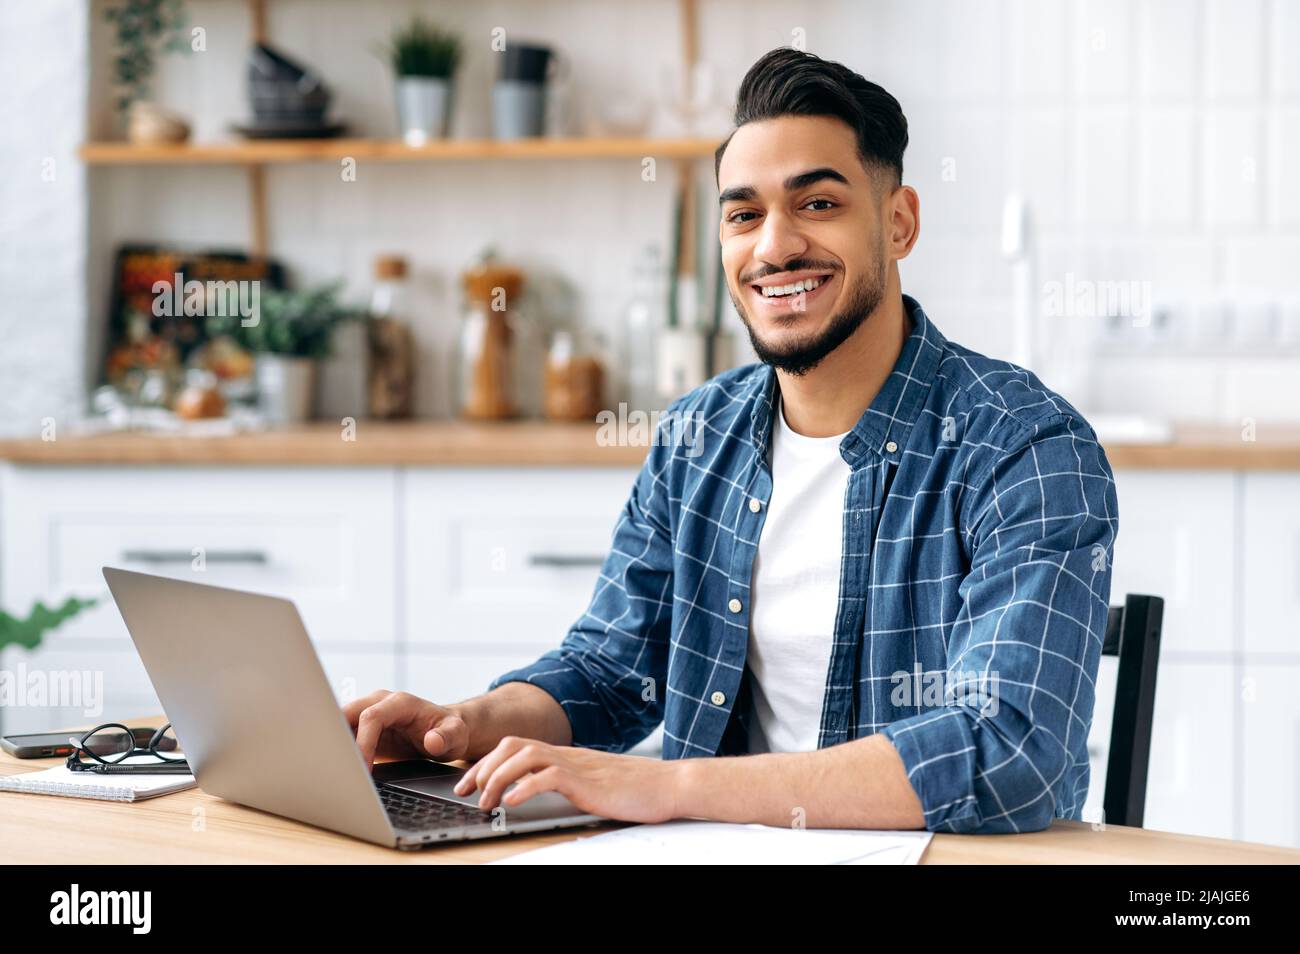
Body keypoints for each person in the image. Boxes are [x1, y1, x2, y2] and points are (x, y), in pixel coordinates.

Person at [345, 47, 1118, 834]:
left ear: (899, 222)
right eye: (744, 214)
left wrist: (671, 786)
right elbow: (610, 672)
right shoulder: (696, 435)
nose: (774, 248)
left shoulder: (1024, 445)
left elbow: (1008, 751)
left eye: (817, 204)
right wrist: (463, 725)